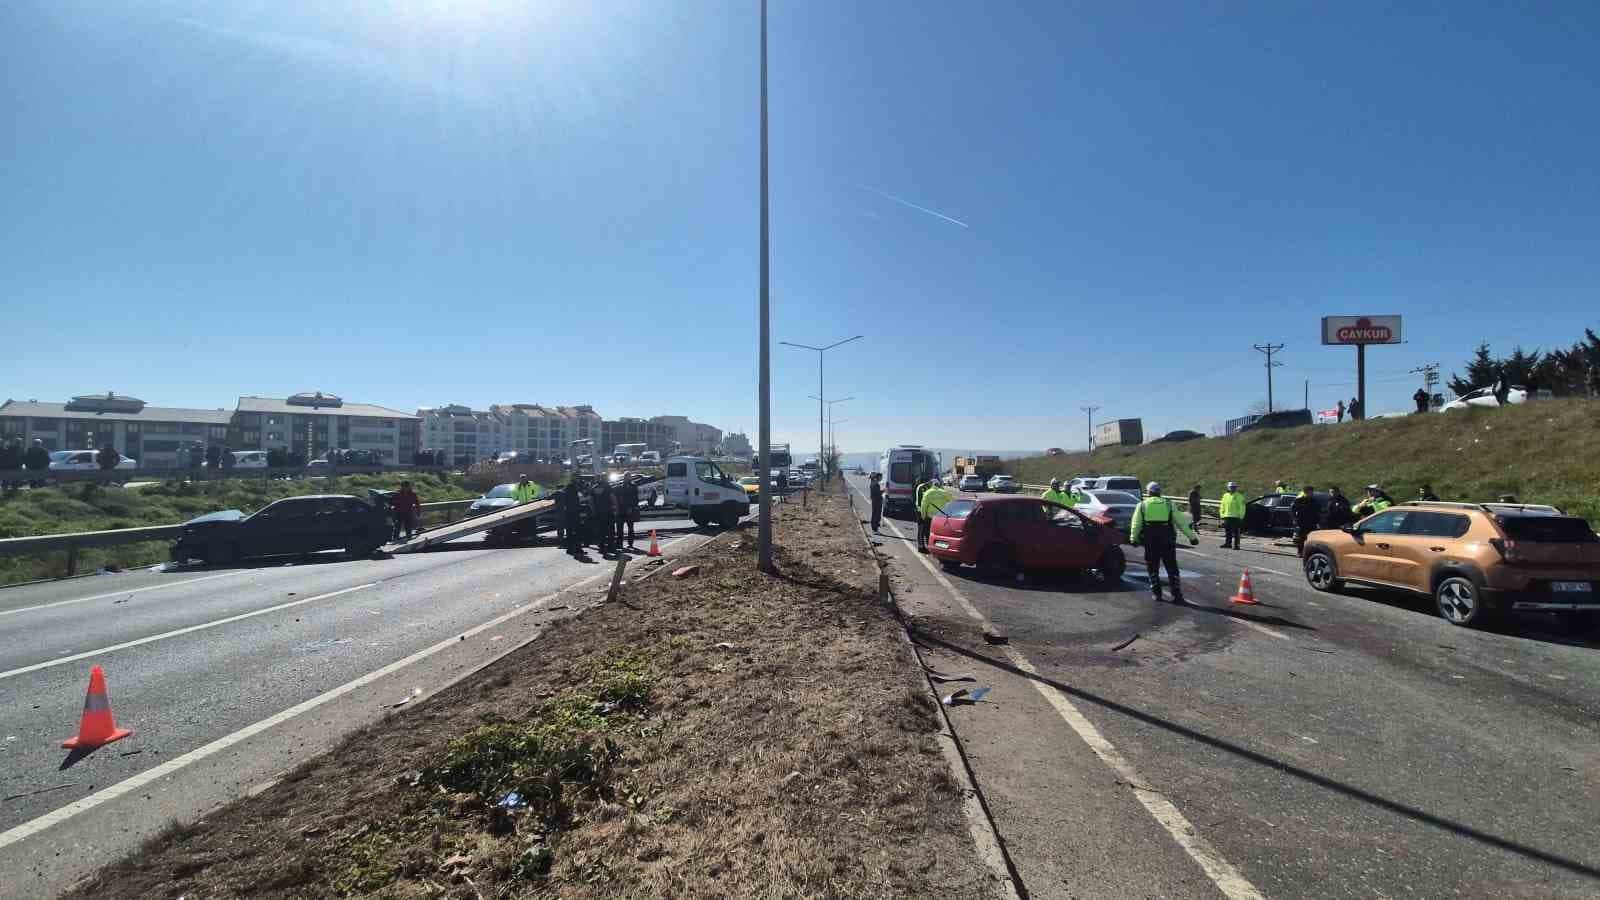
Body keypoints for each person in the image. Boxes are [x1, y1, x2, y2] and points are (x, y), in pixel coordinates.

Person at [1128, 482, 1197, 604]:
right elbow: (1181, 522)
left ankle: (1156, 593)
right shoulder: (1169, 504)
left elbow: (1136, 524)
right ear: (1160, 492)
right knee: (1172, 567)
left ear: (1148, 492)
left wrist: (1134, 538)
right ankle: (1177, 594)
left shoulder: (1142, 505)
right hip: (1167, 539)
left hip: (1151, 540)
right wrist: (1192, 537)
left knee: (1152, 567)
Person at [918, 477, 954, 553]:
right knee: (941, 534)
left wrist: (923, 516)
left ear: (932, 484)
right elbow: (952, 502)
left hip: (930, 517)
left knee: (929, 533)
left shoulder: (928, 493)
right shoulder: (944, 492)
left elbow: (924, 506)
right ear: (939, 484)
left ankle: (930, 547)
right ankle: (941, 548)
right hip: (941, 517)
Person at [1290, 485, 1319, 555]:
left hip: (1312, 523)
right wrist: (1294, 519)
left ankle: (1309, 552)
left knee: (1311, 539)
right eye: (1310, 492)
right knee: (1301, 538)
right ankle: (1300, 552)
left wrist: (1318, 521)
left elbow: (1318, 512)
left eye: (1312, 492)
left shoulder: (1314, 501)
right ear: (1305, 492)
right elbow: (1292, 510)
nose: (1311, 493)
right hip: (1302, 522)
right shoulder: (1299, 500)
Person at [1218, 481, 1246, 549]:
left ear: (1236, 488)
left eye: (1234, 487)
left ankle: (1237, 545)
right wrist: (1222, 515)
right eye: (1231, 487)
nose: (1232, 488)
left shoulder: (1239, 496)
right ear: (1228, 488)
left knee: (1236, 532)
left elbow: (1242, 507)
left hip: (1236, 517)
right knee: (1228, 531)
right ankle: (1228, 544)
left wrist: (1241, 516)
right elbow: (1222, 505)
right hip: (1227, 516)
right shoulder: (1225, 495)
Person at [590, 480, 614, 554]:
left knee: (600, 530)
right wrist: (616, 508)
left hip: (598, 513)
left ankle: (601, 546)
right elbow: (612, 498)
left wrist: (593, 511)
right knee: (610, 530)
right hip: (608, 512)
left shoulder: (593, 489)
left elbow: (591, 501)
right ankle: (610, 546)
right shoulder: (607, 488)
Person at [616, 477, 640, 548]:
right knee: (626, 528)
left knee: (623, 528)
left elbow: (635, 498)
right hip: (625, 509)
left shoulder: (621, 486)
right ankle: (627, 543)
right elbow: (636, 499)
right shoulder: (633, 486)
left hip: (624, 510)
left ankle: (622, 543)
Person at [561, 479, 582, 552]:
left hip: (568, 513)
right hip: (574, 513)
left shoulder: (565, 491)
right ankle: (578, 548)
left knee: (569, 531)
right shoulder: (574, 491)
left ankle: (569, 548)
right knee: (577, 531)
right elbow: (577, 502)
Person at [914, 477, 935, 551]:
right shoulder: (921, 487)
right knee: (921, 529)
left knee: (926, 529)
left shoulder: (926, 487)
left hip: (925, 510)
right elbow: (921, 501)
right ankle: (921, 546)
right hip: (920, 511)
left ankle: (927, 545)